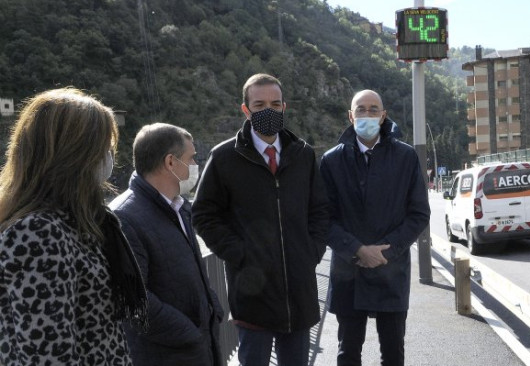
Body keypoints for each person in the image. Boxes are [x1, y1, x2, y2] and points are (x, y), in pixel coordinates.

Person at [0, 88, 147, 366]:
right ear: (71, 155)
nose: (108, 158)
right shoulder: (40, 233)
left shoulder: (77, 223)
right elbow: (48, 356)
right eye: (101, 148)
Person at [192, 73, 330, 366]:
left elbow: (320, 210)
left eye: (275, 104)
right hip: (252, 293)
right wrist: (239, 254)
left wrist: (311, 252)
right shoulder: (224, 157)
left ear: (284, 107)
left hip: (299, 294)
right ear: (245, 110)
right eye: (259, 105)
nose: (269, 110)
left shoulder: (303, 154)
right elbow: (204, 215)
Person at [319, 90, 431, 366]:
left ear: (383, 116)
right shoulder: (332, 161)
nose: (366, 115)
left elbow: (418, 214)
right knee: (347, 354)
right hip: (349, 272)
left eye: (373, 109)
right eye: (360, 109)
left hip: (391, 271)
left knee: (393, 354)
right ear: (350, 115)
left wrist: (385, 252)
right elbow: (322, 218)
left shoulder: (405, 157)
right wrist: (356, 250)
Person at [109, 123, 224, 366]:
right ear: (171, 162)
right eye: (191, 159)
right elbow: (133, 302)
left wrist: (212, 307)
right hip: (168, 355)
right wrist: (190, 335)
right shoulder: (124, 218)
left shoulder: (178, 207)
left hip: (197, 349)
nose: (195, 166)